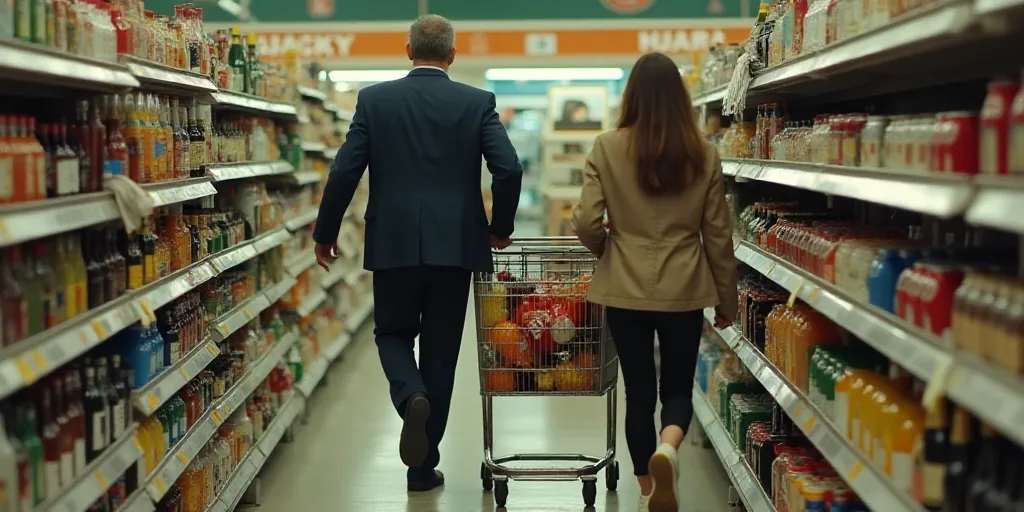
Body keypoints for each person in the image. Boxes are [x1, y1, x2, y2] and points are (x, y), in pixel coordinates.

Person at [311, 14, 523, 492]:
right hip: (457, 248)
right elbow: (508, 168)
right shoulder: (476, 102)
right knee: (441, 355)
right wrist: (499, 228)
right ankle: (422, 468)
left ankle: (410, 398)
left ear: (408, 51)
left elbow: (345, 172)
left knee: (391, 335)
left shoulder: (374, 100)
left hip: (394, 242)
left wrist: (325, 231)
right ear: (452, 55)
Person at [571, 52, 737, 512]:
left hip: (624, 285)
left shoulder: (607, 146)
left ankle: (648, 489)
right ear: (680, 99)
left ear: (633, 95)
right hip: (684, 286)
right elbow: (718, 234)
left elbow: (585, 219)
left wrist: (604, 248)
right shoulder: (704, 153)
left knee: (639, 392)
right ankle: (669, 449)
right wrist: (728, 299)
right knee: (678, 389)